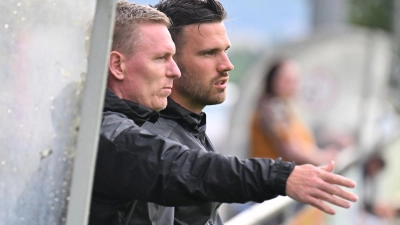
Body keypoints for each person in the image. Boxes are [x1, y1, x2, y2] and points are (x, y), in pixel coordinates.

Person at [90, 1, 358, 225]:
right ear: (117, 64)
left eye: (226, 52)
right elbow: (178, 167)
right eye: (209, 53)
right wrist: (281, 176)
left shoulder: (187, 127)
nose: (227, 65)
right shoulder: (138, 136)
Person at [250, 59, 347, 165]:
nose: (292, 86)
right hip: (274, 177)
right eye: (287, 80)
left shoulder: (284, 107)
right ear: (273, 80)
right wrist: (322, 158)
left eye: (295, 80)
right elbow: (289, 148)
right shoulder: (272, 108)